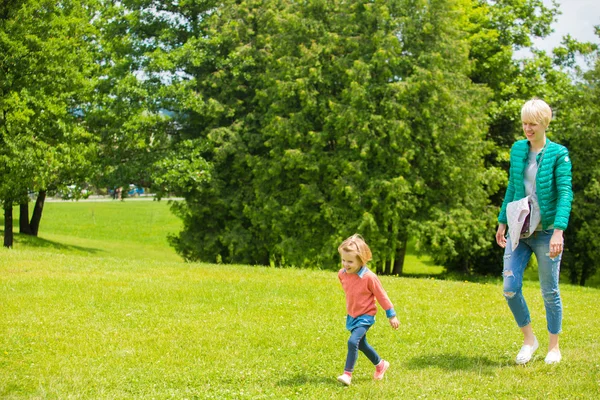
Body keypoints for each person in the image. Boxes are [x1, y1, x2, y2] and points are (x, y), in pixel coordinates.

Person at [495, 98, 573, 365]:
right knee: (510, 287)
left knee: (549, 291)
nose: (527, 128)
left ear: (544, 123)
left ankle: (553, 347)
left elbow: (565, 193)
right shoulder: (518, 150)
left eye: (533, 124)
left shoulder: (558, 154)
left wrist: (558, 232)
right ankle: (529, 340)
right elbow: (512, 187)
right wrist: (502, 220)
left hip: (547, 231)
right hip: (519, 230)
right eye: (524, 123)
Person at [336, 234, 400, 385]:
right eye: (343, 260)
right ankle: (380, 365)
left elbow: (381, 295)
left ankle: (347, 374)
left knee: (353, 342)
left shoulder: (369, 277)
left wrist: (391, 315)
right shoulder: (342, 274)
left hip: (366, 315)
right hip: (352, 315)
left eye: (350, 261)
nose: (345, 264)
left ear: (361, 260)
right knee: (362, 344)